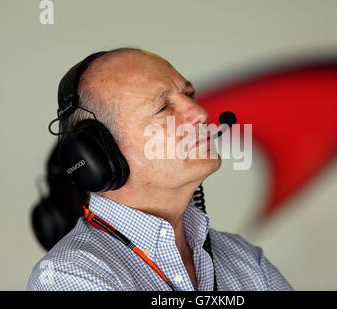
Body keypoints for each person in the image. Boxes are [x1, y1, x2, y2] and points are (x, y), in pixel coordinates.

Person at [27, 48, 292, 291]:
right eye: (163, 107)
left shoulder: (244, 258)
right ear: (100, 154)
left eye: (189, 95)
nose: (199, 113)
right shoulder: (69, 276)